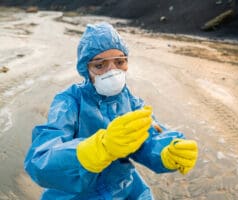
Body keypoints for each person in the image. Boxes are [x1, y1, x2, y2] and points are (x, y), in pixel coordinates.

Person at [24, 22, 198, 199]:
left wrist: (166, 152)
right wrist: (98, 149)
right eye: (100, 65)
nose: (112, 71)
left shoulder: (131, 101)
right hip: (74, 193)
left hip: (124, 186)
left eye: (119, 62)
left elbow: (148, 139)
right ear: (86, 69)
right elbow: (40, 160)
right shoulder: (69, 101)